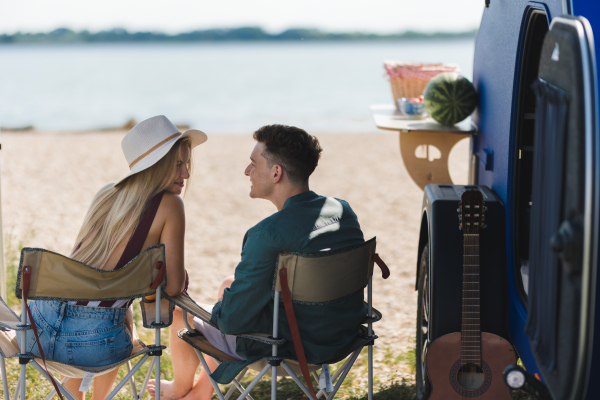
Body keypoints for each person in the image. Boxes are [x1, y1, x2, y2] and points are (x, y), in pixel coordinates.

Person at [149, 124, 366, 400]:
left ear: (277, 173)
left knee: (182, 312)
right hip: (342, 334)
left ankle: (180, 389)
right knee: (230, 284)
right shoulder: (342, 209)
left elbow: (232, 322)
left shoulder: (266, 234)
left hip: (290, 345)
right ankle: (200, 393)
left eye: (253, 164)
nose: (247, 172)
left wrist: (217, 311)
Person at [19, 115, 207, 400]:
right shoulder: (171, 205)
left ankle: (75, 397)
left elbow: (79, 269)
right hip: (95, 344)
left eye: (186, 165)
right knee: (116, 316)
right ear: (158, 166)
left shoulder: (107, 194)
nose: (186, 175)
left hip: (36, 330)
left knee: (108, 310)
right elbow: (173, 288)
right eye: (178, 165)